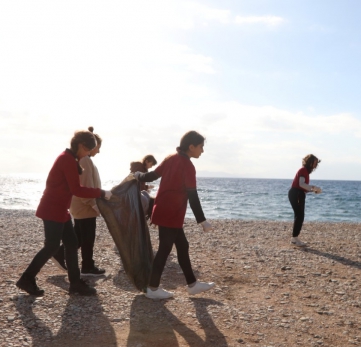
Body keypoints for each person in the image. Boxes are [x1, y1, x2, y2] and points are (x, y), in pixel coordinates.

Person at [16, 130, 112, 297]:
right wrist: (101, 193)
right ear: (81, 146)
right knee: (51, 246)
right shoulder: (67, 160)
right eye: (88, 150)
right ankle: (27, 278)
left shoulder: (71, 159)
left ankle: (75, 284)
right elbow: (77, 190)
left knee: (72, 243)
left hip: (61, 209)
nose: (89, 154)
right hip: (53, 209)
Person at [133, 131, 215, 299]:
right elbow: (192, 195)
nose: (202, 151)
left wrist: (138, 175)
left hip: (164, 210)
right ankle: (153, 288)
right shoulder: (188, 166)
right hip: (171, 213)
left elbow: (152, 175)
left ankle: (192, 284)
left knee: (182, 246)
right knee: (164, 249)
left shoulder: (170, 158)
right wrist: (202, 221)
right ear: (191, 146)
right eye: (201, 147)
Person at [53, 127, 106, 276]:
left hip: (81, 206)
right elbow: (85, 186)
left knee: (80, 237)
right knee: (86, 238)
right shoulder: (86, 162)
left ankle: (79, 262)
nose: (98, 151)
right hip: (84, 207)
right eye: (98, 148)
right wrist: (96, 206)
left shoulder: (85, 160)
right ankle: (85, 265)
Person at [288, 154, 322, 247]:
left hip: (298, 193)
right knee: (300, 216)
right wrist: (314, 188)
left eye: (316, 163)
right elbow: (301, 184)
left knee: (299, 215)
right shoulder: (303, 170)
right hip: (297, 193)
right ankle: (294, 239)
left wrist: (313, 190)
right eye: (314, 162)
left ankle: (295, 238)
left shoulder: (305, 171)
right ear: (309, 162)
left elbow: (302, 186)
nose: (315, 165)